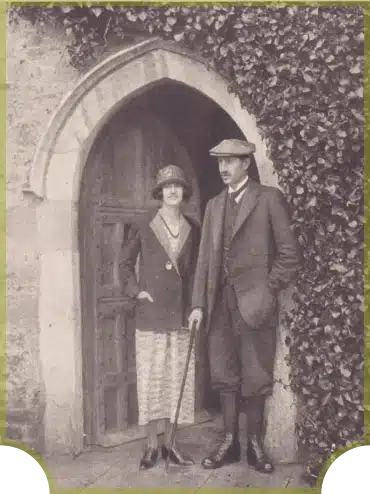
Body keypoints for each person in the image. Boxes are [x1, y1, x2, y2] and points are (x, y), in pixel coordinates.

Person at [188, 139, 300, 472]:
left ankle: (254, 444)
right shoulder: (213, 206)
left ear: (246, 164)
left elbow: (289, 255)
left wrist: (268, 288)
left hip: (255, 303)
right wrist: (197, 304)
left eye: (231, 162)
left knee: (256, 375)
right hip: (219, 303)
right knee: (224, 374)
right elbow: (205, 261)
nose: (224, 168)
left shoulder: (268, 199)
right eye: (220, 161)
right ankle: (229, 443)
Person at [121, 165, 200, 470]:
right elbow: (125, 264)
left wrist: (197, 306)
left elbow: (195, 272)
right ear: (159, 192)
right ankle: (151, 446)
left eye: (177, 186)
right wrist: (136, 291)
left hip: (180, 315)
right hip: (151, 314)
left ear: (183, 192)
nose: (172, 191)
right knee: (152, 380)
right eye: (166, 187)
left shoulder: (193, 227)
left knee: (176, 380)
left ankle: (172, 445)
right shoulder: (144, 224)